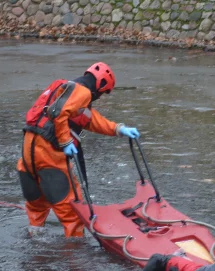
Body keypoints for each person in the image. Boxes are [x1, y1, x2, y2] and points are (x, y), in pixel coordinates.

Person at [17, 63, 140, 237]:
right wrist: (66, 142)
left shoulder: (65, 89)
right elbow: (60, 115)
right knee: (73, 213)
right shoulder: (83, 93)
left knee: (37, 202)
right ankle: (74, 254)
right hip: (48, 152)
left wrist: (118, 129)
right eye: (103, 93)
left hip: (29, 149)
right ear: (101, 85)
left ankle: (35, 240)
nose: (100, 97)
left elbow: (90, 119)